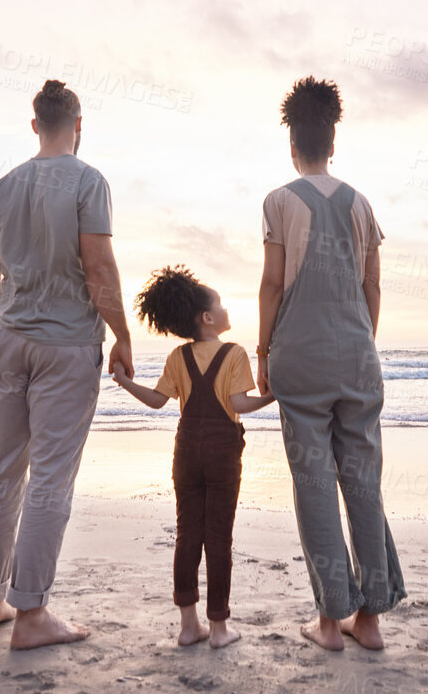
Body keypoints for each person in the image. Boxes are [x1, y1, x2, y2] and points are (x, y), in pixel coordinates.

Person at [0, 78, 133, 650]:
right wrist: (122, 334)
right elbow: (100, 269)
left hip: (11, 339)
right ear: (79, 125)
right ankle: (33, 615)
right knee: (51, 478)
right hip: (67, 345)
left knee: (2, 471)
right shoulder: (89, 181)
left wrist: (3, 333)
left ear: (35, 124)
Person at [256, 77, 406, 651]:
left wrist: (263, 352)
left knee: (315, 484)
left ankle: (328, 622)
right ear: (333, 142)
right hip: (357, 356)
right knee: (363, 483)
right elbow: (371, 286)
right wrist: (362, 342)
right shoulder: (362, 204)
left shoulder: (278, 201)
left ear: (293, 145)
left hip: (299, 356)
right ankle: (368, 621)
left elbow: (271, 284)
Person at [111, 266, 273, 648]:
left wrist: (123, 380)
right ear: (207, 317)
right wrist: (273, 396)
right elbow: (238, 403)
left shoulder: (178, 357)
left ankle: (188, 625)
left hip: (185, 451)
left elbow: (156, 401)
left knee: (187, 534)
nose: (225, 308)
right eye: (220, 303)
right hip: (222, 452)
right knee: (218, 537)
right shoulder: (233, 353)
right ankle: (218, 628)